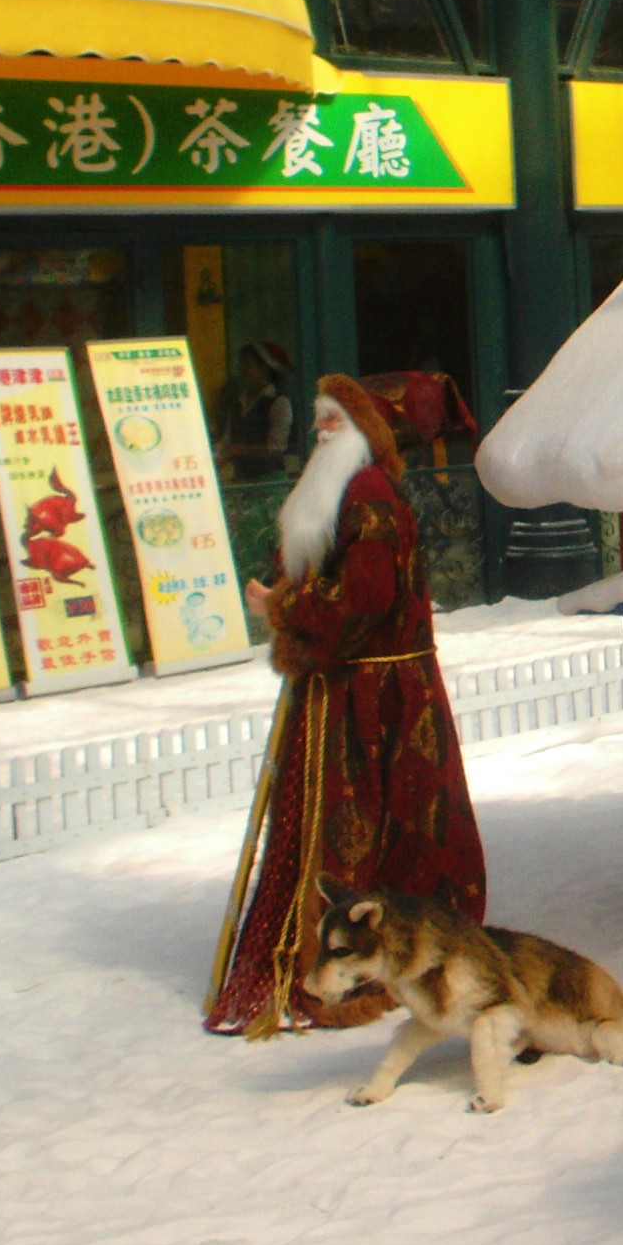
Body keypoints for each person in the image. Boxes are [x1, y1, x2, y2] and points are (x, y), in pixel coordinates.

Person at [205, 374, 486, 1038]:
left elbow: (368, 595)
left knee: (368, 825)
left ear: (364, 431)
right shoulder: (352, 490)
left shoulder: (368, 491)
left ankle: (363, 962)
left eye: (333, 419)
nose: (319, 430)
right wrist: (291, 601)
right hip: (355, 686)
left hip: (376, 696)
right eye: (319, 417)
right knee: (375, 825)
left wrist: (285, 607)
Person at [215, 341, 295, 480]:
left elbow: (276, 447)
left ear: (264, 369)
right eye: (241, 366)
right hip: (243, 482)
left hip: (270, 483)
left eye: (248, 366)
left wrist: (239, 450)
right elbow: (226, 442)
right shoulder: (237, 404)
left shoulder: (279, 402)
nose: (242, 371)